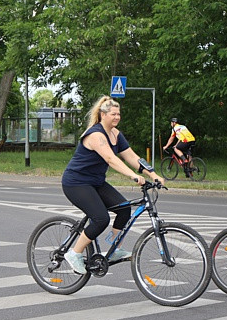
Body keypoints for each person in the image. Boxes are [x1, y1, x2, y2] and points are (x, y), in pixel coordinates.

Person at [61, 96, 164, 274]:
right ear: (103, 115)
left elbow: (132, 157)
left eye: (118, 114)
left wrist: (153, 174)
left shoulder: (115, 134)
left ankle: (114, 248)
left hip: (96, 182)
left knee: (124, 209)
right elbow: (110, 159)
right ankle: (74, 253)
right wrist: (133, 176)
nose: (117, 117)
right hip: (76, 183)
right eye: (113, 114)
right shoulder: (95, 135)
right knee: (101, 219)